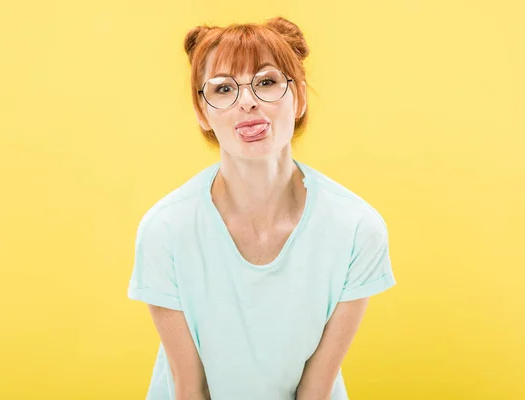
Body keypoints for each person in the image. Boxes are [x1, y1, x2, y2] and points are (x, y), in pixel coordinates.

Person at [127, 16, 397, 400]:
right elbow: (189, 389)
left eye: (267, 82)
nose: (248, 101)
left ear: (299, 97)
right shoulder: (165, 230)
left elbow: (315, 390)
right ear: (202, 113)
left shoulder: (356, 229)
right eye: (223, 89)